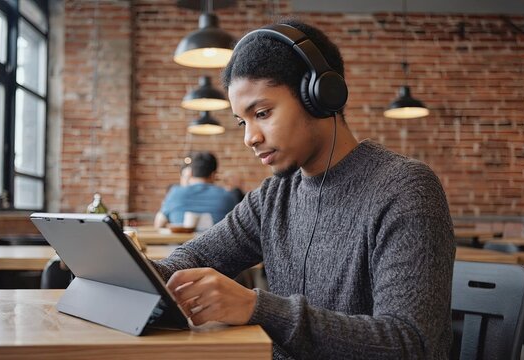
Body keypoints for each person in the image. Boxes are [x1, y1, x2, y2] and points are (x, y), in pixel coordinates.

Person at [152, 20, 454, 359]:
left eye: (262, 113)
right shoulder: (273, 197)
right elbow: (193, 258)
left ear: (320, 96)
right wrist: (133, 271)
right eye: (242, 122)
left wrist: (256, 307)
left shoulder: (405, 188)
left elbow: (408, 344)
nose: (250, 137)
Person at [154, 152, 237, 229]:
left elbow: (159, 224)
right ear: (213, 175)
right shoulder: (228, 196)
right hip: (215, 244)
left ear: (190, 173)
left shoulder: (175, 193)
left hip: (179, 244)